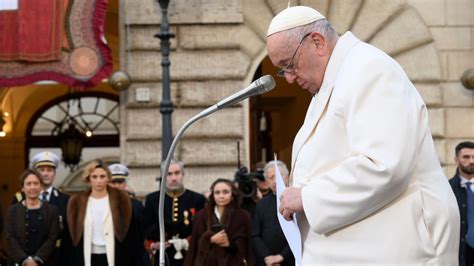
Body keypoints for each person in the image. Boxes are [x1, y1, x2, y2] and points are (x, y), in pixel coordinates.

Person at [266, 5, 460, 264]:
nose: (288, 78)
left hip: (401, 245)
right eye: (282, 70)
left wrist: (307, 197)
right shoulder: (332, 81)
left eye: (289, 65)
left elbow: (383, 164)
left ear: (317, 42)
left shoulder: (369, 68)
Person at [67, 160, 141, 266]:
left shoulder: (122, 200)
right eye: (94, 177)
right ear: (88, 179)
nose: (99, 181)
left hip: (116, 255)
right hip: (87, 255)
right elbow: (70, 237)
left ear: (108, 178)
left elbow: (132, 235)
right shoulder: (77, 202)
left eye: (102, 176)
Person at [12, 151, 71, 265]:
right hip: (26, 258)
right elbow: (12, 234)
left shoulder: (65, 200)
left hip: (56, 258)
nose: (45, 174)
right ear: (35, 173)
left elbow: (67, 235)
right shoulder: (20, 199)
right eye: (42, 170)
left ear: (54, 173)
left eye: (49, 170)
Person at [143, 159, 206, 266]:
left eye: (177, 173)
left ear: (183, 174)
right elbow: (145, 228)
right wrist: (153, 245)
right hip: (161, 256)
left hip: (189, 255)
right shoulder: (152, 199)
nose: (173, 178)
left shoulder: (197, 199)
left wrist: (188, 241)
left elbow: (202, 229)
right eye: (169, 174)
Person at [184, 178, 254, 266]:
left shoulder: (243, 216)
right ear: (212, 195)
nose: (221, 196)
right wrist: (210, 239)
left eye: (225, 192)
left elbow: (247, 245)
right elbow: (194, 245)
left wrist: (230, 244)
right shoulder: (201, 215)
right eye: (217, 192)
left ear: (232, 195)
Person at [6, 169, 59, 266]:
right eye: (29, 184)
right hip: (18, 263)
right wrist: (25, 260)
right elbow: (10, 237)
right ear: (22, 188)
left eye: (36, 183)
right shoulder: (13, 210)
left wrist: (37, 259)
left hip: (45, 262)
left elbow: (52, 237)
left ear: (41, 186)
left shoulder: (52, 210)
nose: (33, 187)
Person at [252, 161, 294, 266]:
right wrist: (268, 257)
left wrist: (281, 256)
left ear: (288, 176)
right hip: (268, 262)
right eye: (271, 178)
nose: (275, 181)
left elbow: (300, 233)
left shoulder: (296, 200)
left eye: (279, 176)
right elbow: (255, 235)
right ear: (266, 181)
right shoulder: (261, 204)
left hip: (292, 259)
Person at [108, 163, 148, 265]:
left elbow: (142, 234)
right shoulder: (101, 204)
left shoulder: (136, 205)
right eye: (113, 182)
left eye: (120, 182)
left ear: (125, 183)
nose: (117, 186)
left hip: (131, 257)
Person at [449, 141, 474, 266]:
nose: (471, 161)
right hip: (459, 254)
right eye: (466, 157)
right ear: (456, 159)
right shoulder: (447, 189)